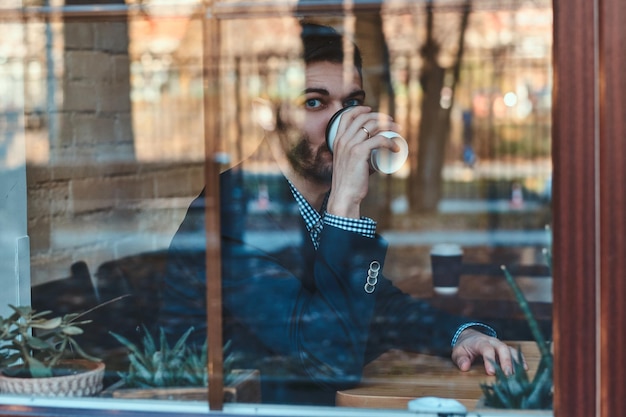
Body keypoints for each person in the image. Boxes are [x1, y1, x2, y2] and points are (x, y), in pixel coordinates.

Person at [157, 22, 524, 405]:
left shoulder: (309, 204)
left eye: (351, 103)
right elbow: (330, 360)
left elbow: (379, 304)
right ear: (267, 115)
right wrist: (346, 204)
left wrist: (463, 335)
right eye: (314, 102)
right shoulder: (231, 213)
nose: (342, 122)